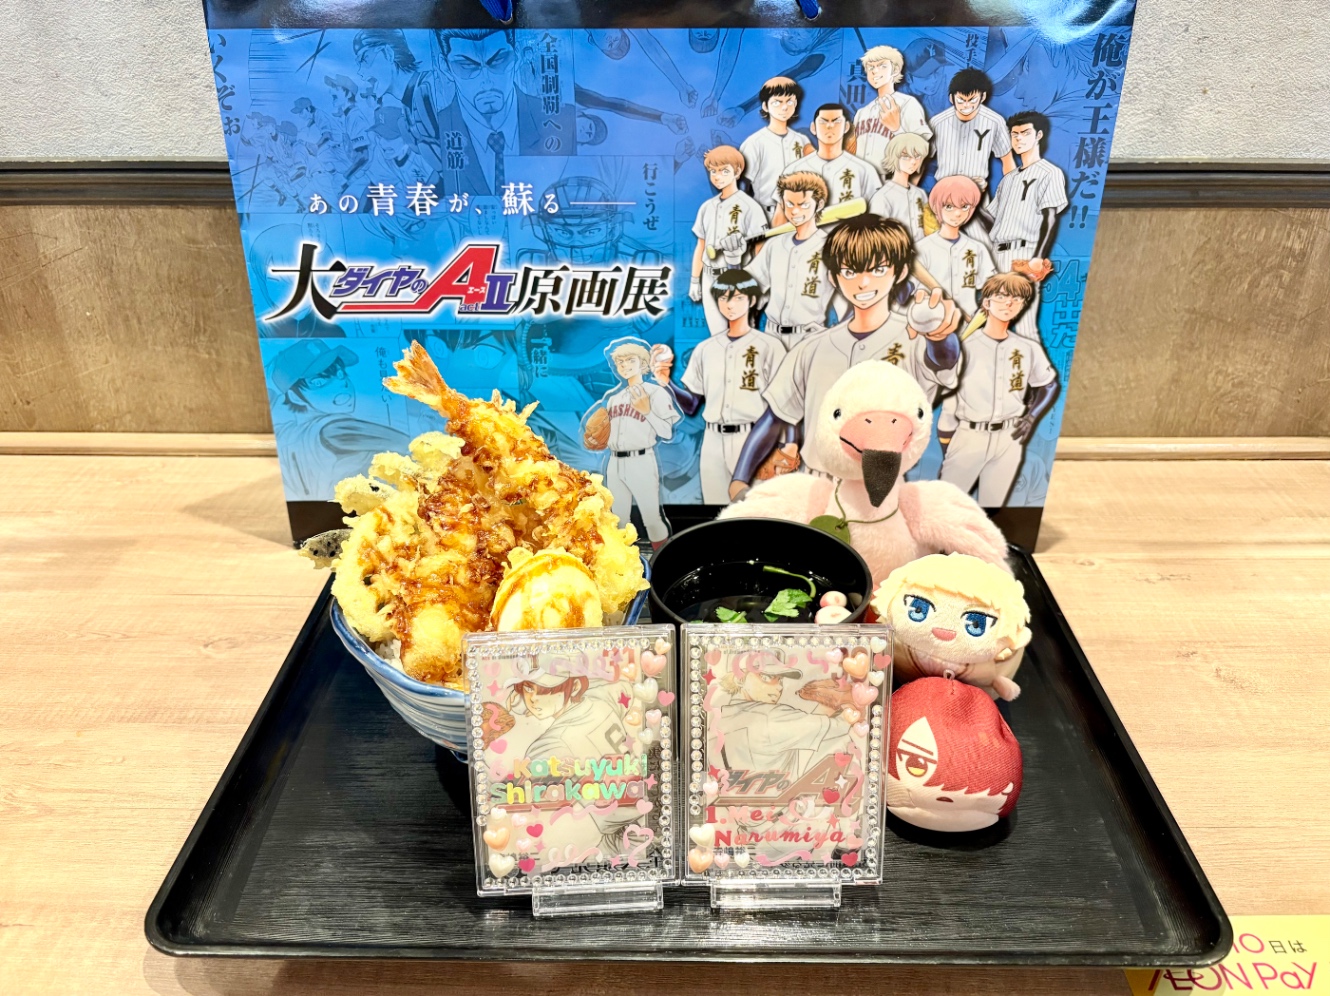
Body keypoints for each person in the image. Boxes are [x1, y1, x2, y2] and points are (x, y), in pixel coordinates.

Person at [727, 214, 961, 496]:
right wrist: (739, 480)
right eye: (850, 272)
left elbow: (942, 359)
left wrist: (939, 335)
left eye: (878, 269)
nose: (863, 282)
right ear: (834, 278)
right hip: (815, 484)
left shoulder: (914, 338)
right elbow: (775, 417)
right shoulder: (811, 348)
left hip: (881, 489)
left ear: (899, 273)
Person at [652, 270, 786, 504]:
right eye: (724, 298)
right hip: (712, 439)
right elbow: (692, 405)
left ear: (752, 300)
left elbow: (783, 405)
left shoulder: (770, 346)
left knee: (756, 511)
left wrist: (781, 445)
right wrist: (666, 382)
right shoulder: (705, 348)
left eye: (738, 297)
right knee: (715, 511)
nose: (730, 304)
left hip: (752, 438)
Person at [939, 272, 1059, 506]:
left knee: (992, 507)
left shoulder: (1028, 347)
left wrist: (1032, 417)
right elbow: (948, 400)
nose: (1009, 303)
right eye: (1002, 296)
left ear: (1023, 305)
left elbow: (1049, 384)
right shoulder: (964, 346)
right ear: (986, 302)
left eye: (1017, 298)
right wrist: (946, 442)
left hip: (1010, 436)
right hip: (970, 433)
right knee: (947, 506)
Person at [430, 28, 576, 196]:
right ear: (445, 67)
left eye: (498, 61)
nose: (486, 81)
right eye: (467, 66)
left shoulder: (565, 122)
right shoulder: (431, 130)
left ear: (516, 56)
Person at [267, 341, 410, 500]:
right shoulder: (334, 429)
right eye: (319, 382)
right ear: (295, 397)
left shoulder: (287, 433)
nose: (342, 384)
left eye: (341, 374)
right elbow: (411, 445)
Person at [584, 340, 681, 547]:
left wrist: (647, 411)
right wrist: (596, 439)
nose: (624, 365)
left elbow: (666, 432)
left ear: (643, 363)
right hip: (615, 462)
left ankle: (661, 558)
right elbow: (611, 434)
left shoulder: (656, 393)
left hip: (641, 460)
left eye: (630, 360)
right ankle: (624, 562)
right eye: (620, 362)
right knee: (618, 520)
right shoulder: (614, 398)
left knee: (651, 518)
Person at [981, 111, 1067, 338]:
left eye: (1025, 133)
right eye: (1014, 134)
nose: (1018, 138)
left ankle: (1033, 362)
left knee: (1025, 324)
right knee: (992, 319)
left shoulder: (1049, 172)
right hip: (997, 251)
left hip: (1025, 252)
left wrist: (1038, 256)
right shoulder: (1008, 179)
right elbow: (993, 221)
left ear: (1038, 135)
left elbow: (1050, 217)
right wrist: (973, 200)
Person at [715, 654, 848, 778]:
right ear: (739, 679)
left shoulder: (720, 717)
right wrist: (849, 701)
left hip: (736, 792)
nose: (779, 687)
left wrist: (827, 705)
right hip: (779, 794)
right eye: (766, 677)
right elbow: (840, 726)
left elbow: (807, 728)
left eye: (780, 679)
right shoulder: (772, 715)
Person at [746, 171, 840, 345]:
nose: (795, 211)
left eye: (804, 205)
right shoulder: (774, 244)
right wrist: (733, 255)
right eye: (789, 204)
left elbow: (850, 297)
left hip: (809, 338)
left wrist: (834, 333)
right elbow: (748, 285)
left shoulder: (831, 247)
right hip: (772, 336)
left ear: (819, 204)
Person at [689, 146, 768, 335]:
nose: (718, 177)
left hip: (738, 278)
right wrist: (694, 280)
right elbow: (701, 246)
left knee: (741, 335)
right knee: (717, 335)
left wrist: (761, 285)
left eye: (724, 171)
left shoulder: (750, 207)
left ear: (737, 172)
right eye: (713, 171)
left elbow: (761, 249)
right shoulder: (707, 207)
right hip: (709, 277)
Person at [914, 175, 997, 318]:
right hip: (931, 320)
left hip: (970, 320)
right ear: (936, 207)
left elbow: (992, 286)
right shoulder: (921, 248)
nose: (957, 213)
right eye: (949, 206)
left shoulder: (977, 248)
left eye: (965, 207)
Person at [852, 46, 932, 180]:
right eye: (870, 67)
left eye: (882, 66)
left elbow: (921, 149)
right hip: (860, 179)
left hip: (890, 179)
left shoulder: (908, 104)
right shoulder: (862, 112)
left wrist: (897, 129)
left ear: (895, 70)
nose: (875, 71)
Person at [928, 68, 1015, 192]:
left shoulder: (995, 121)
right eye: (961, 100)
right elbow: (923, 160)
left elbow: (1007, 160)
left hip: (978, 191)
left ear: (983, 97)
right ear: (951, 98)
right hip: (944, 192)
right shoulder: (937, 122)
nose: (966, 105)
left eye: (972, 100)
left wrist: (1011, 193)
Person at [738, 77, 811, 222]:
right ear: (765, 106)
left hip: (801, 215)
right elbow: (743, 186)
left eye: (789, 101)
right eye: (777, 102)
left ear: (796, 103)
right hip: (766, 215)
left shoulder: (802, 141)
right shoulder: (754, 142)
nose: (784, 107)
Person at [781, 103, 881, 208]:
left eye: (837, 121)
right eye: (823, 122)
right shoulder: (793, 170)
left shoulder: (864, 170)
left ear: (846, 127)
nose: (829, 126)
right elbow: (781, 211)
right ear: (813, 128)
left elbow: (877, 210)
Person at [867, 131, 935, 242]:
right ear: (894, 157)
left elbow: (928, 226)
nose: (913, 162)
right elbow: (876, 236)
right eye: (906, 156)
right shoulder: (882, 196)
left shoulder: (920, 193)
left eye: (917, 156)